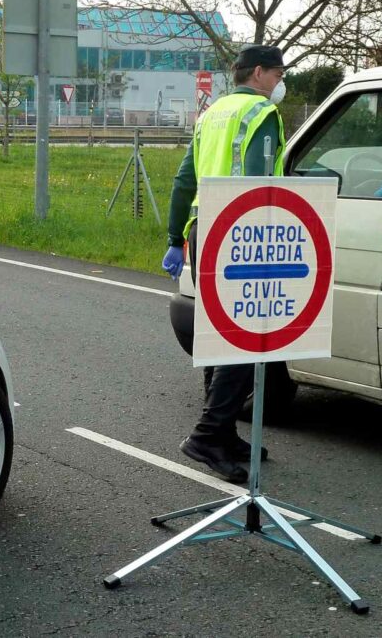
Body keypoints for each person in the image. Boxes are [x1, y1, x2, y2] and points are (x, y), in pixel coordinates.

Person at [162, 44, 287, 483]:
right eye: (277, 75)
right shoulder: (261, 115)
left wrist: (176, 237)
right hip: (243, 231)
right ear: (258, 73)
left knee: (219, 332)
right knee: (246, 335)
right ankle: (208, 433)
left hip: (205, 229)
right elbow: (263, 180)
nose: (279, 84)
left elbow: (184, 179)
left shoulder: (211, 114)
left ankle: (224, 431)